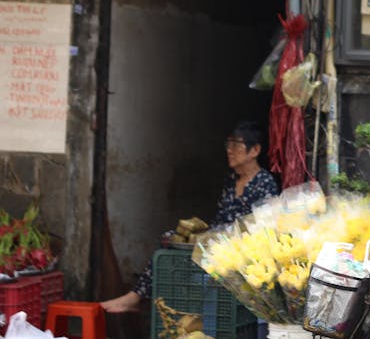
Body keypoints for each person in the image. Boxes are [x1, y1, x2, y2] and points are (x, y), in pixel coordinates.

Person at [101, 121, 281, 313]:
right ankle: (138, 298)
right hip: (217, 243)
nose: (230, 150)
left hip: (241, 252)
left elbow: (262, 229)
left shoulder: (265, 183)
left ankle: (136, 298)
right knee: (169, 241)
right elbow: (220, 219)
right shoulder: (232, 181)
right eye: (228, 145)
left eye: (236, 145)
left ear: (254, 150)